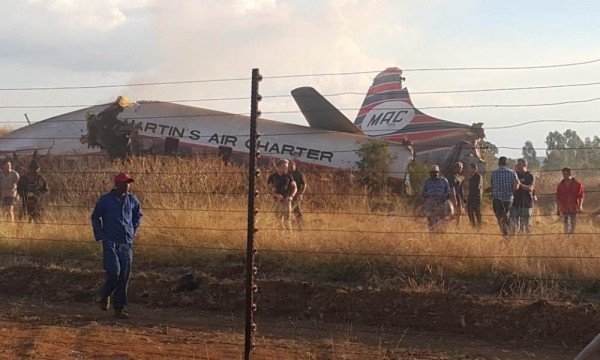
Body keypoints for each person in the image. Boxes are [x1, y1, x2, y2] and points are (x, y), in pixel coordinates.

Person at [92, 172, 143, 319]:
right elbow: (95, 217)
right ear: (117, 184)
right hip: (110, 242)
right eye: (124, 183)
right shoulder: (105, 200)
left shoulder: (132, 200)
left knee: (124, 276)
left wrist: (132, 230)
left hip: (126, 242)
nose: (127, 185)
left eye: (129, 183)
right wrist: (101, 235)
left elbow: (138, 216)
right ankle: (104, 294)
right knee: (114, 273)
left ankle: (120, 308)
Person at [490, 157, 519, 236]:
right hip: (508, 199)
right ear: (507, 164)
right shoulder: (512, 173)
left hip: (497, 199)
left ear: (498, 163)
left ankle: (505, 234)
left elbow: (492, 186)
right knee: (507, 217)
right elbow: (516, 187)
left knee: (500, 218)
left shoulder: (493, 173)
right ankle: (508, 234)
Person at [267, 159, 297, 230]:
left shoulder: (289, 176)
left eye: (287, 167)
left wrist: (291, 196)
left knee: (287, 219)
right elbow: (268, 189)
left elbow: (295, 187)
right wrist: (275, 195)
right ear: (279, 167)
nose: (286, 168)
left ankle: (289, 234)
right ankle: (281, 234)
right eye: (284, 166)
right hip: (276, 201)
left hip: (287, 200)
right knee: (278, 219)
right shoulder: (272, 177)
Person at [421, 165, 451, 231]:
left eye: (435, 172)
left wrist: (444, 197)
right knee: (431, 223)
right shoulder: (427, 182)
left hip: (441, 204)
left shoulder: (444, 181)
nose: (434, 174)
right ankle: (432, 237)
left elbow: (448, 192)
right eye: (432, 172)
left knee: (442, 222)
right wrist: (427, 196)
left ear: (438, 172)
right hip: (431, 205)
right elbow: (423, 193)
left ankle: (441, 237)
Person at [510, 159, 535, 235]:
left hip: (526, 204)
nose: (518, 166)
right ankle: (515, 240)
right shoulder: (515, 175)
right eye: (517, 165)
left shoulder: (529, 175)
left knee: (526, 225)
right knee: (513, 224)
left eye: (519, 165)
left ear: (525, 165)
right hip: (515, 203)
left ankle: (527, 241)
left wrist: (520, 184)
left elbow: (530, 188)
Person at [556, 167, 584, 234]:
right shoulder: (560, 186)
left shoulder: (577, 184)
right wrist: (558, 209)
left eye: (565, 174)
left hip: (573, 208)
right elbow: (558, 198)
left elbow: (581, 196)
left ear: (570, 174)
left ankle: (572, 239)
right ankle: (567, 240)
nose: (564, 176)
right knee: (566, 226)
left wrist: (580, 206)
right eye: (563, 174)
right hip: (564, 208)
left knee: (573, 226)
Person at [289, 161, 306, 229]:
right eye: (289, 166)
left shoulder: (299, 174)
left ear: (295, 166)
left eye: (292, 166)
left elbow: (304, 184)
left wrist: (301, 194)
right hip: (288, 195)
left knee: (296, 211)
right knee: (287, 211)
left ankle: (301, 226)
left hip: (296, 195)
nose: (290, 167)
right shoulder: (287, 174)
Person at [466, 163, 483, 228]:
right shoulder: (471, 177)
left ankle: (479, 226)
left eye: (469, 168)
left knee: (477, 212)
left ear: (474, 169)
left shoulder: (478, 176)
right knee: (469, 212)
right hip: (470, 197)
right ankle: (473, 225)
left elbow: (477, 187)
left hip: (476, 197)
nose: (468, 169)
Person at [450, 162, 465, 226]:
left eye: (461, 168)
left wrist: (463, 199)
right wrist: (454, 199)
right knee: (456, 212)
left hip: (459, 196)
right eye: (460, 168)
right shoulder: (452, 176)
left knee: (460, 212)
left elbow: (461, 188)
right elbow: (452, 188)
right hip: (454, 196)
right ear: (456, 168)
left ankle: (457, 225)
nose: (461, 170)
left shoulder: (458, 176)